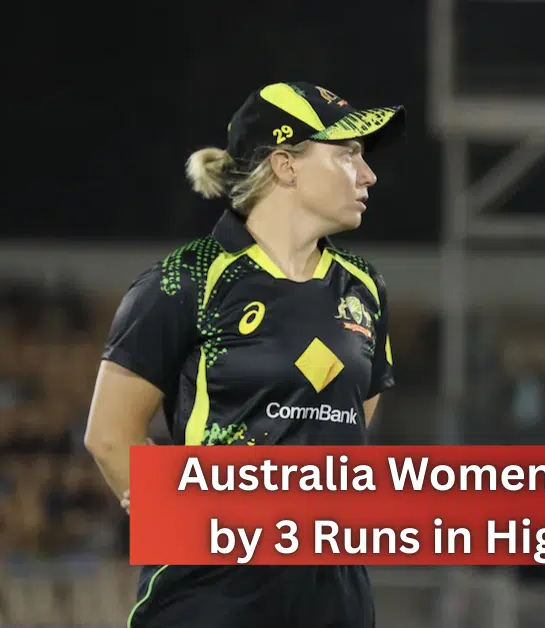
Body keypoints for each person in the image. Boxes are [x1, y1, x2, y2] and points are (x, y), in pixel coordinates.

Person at [84, 81, 405, 628]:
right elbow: (110, 435)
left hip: (335, 600)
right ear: (285, 165)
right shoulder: (185, 279)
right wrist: (188, 526)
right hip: (208, 602)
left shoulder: (363, 287)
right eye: (347, 154)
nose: (368, 174)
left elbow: (352, 424)